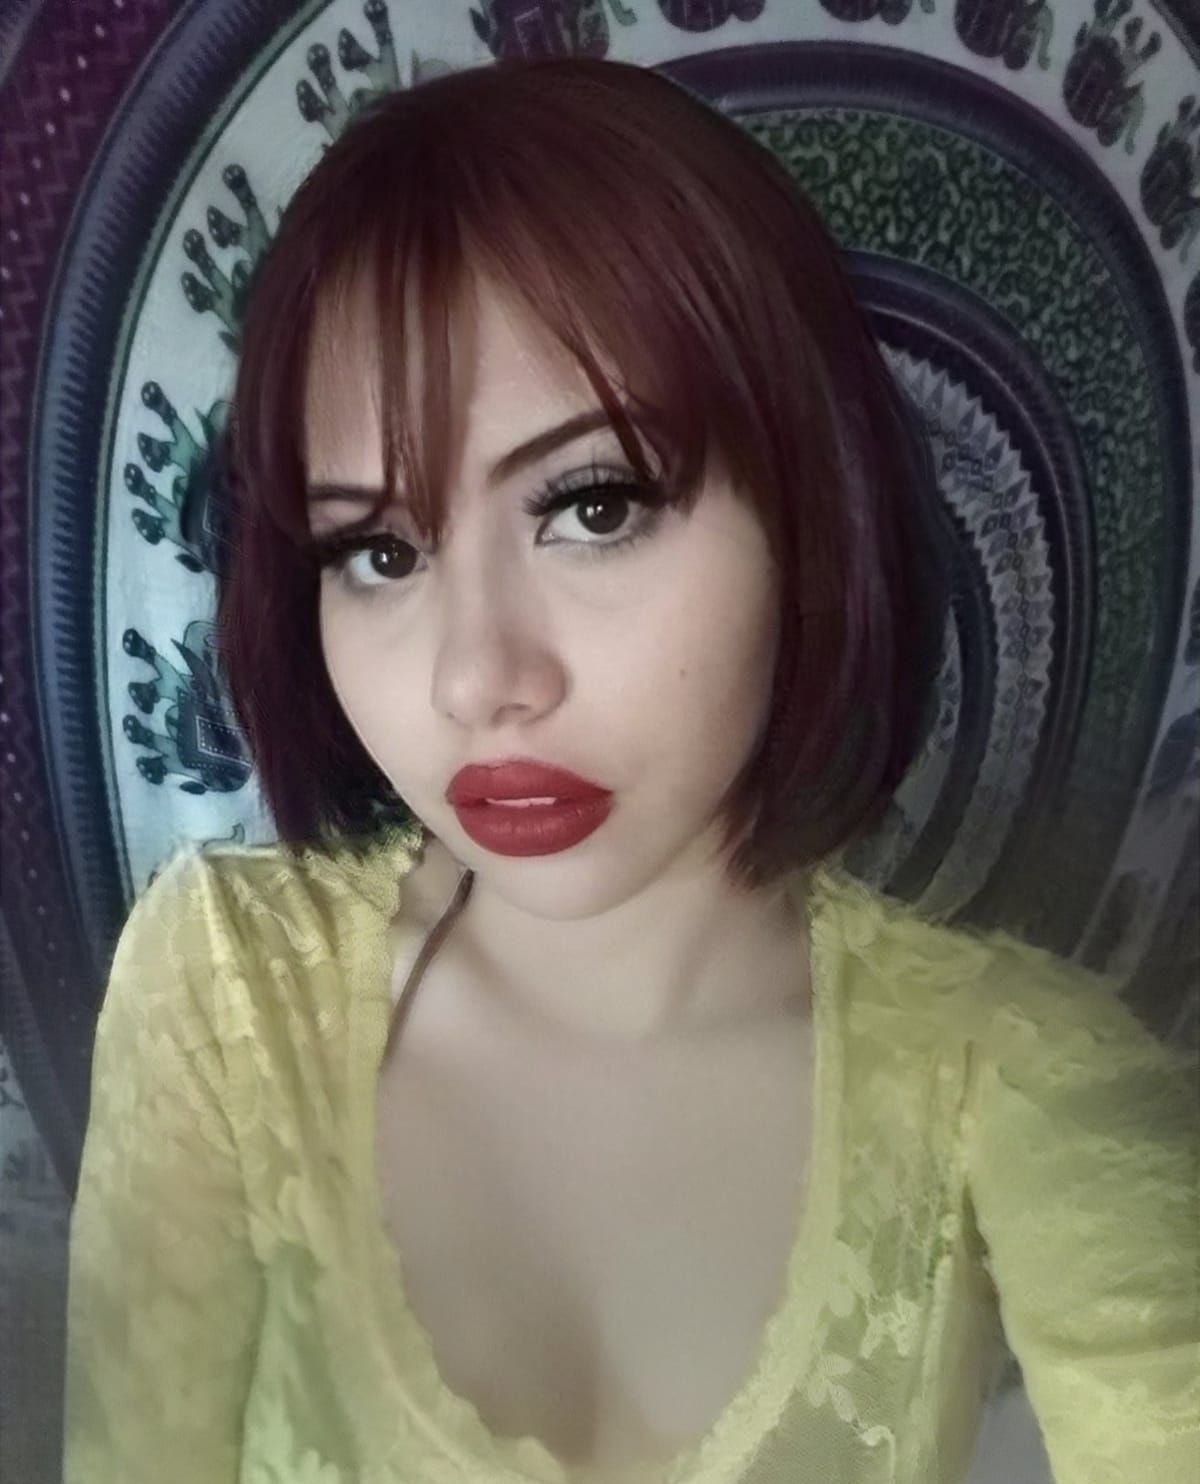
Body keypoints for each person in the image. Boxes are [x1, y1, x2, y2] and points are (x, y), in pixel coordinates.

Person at [63, 56, 1198, 1484]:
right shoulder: (228, 994)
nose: (477, 676)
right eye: (381, 551)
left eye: (593, 506)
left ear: (809, 503)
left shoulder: (1018, 1080)